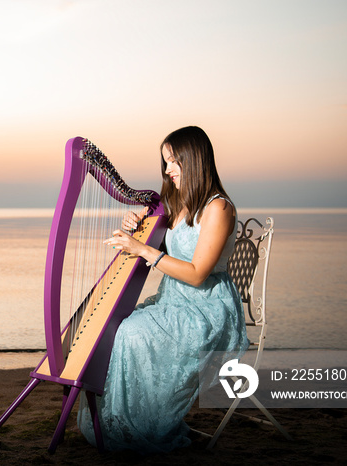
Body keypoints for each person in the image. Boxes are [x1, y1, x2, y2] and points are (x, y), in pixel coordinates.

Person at [76, 125, 249, 453]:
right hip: (174, 300)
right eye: (165, 161)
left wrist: (142, 250)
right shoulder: (179, 204)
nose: (167, 169)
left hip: (206, 308)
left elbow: (198, 274)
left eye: (173, 161)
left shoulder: (218, 209)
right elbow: (160, 245)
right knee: (116, 327)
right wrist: (135, 228)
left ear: (194, 160)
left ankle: (143, 422)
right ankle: (130, 419)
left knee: (131, 332)